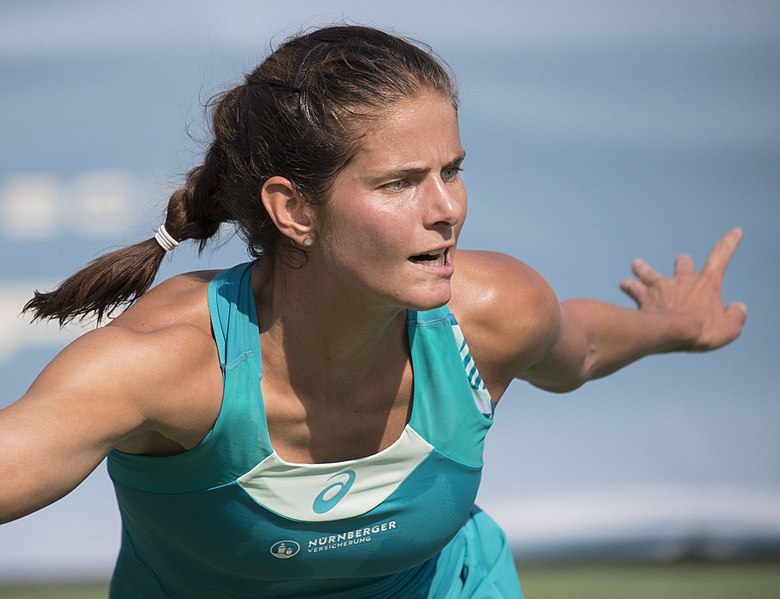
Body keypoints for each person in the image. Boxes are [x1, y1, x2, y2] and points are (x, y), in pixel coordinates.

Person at [0, 24, 745, 599]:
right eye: (399, 183)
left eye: (452, 171)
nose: (447, 208)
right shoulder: (166, 363)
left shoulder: (490, 311)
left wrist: (674, 325)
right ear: (293, 209)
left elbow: (577, 347)